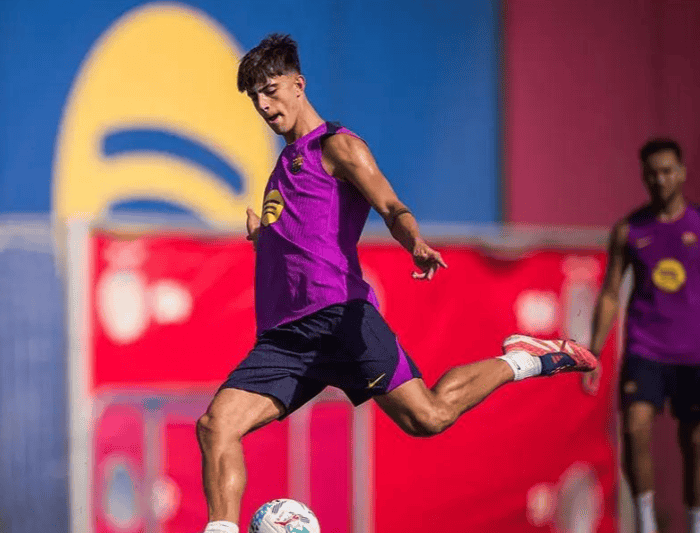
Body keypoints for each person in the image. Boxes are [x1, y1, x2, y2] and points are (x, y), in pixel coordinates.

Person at [195, 34, 598, 533]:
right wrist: (267, 241)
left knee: (428, 417)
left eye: (270, 90)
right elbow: (304, 238)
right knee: (216, 426)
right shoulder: (281, 168)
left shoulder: (338, 146)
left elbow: (390, 205)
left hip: (340, 319)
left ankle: (524, 359)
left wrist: (414, 242)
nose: (262, 104)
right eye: (254, 97)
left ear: (298, 84)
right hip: (285, 337)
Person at [586, 137, 700, 533]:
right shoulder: (630, 230)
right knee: (634, 429)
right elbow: (609, 294)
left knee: (695, 443)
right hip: (645, 348)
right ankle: (646, 524)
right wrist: (594, 352)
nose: (660, 180)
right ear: (644, 177)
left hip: (694, 354)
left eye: (667, 171)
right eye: (652, 173)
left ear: (681, 173)